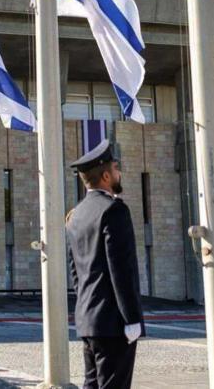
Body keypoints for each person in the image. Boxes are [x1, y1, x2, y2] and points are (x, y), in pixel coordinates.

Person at [65, 139, 144, 389]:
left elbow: (75, 271)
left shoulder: (76, 214)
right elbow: (121, 270)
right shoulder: (114, 211)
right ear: (107, 175)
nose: (119, 173)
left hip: (88, 319)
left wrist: (87, 306)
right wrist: (132, 318)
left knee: (92, 385)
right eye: (117, 169)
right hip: (113, 323)